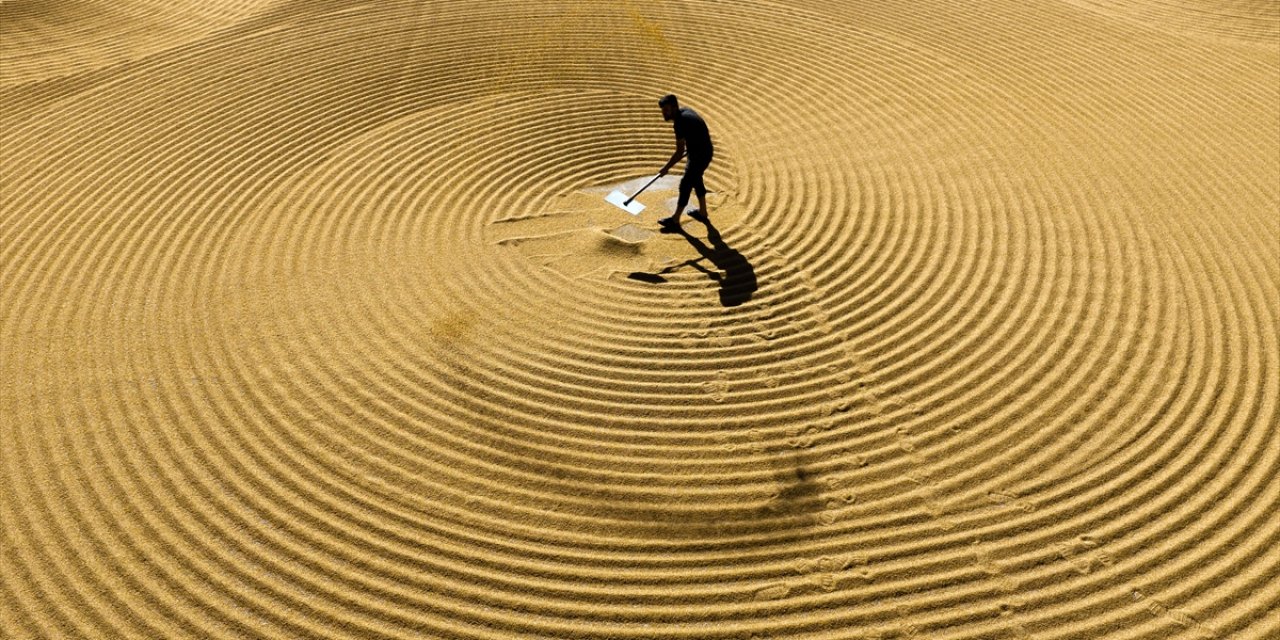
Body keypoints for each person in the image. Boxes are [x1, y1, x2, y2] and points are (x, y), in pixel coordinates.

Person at [656, 94, 714, 230]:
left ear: (675, 108)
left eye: (666, 110)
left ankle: (675, 220)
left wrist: (666, 168)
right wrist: (694, 143)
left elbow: (679, 151)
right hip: (703, 151)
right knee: (696, 179)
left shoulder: (680, 123)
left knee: (685, 185)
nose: (664, 113)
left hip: (699, 156)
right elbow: (699, 131)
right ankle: (703, 212)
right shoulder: (686, 112)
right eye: (663, 110)